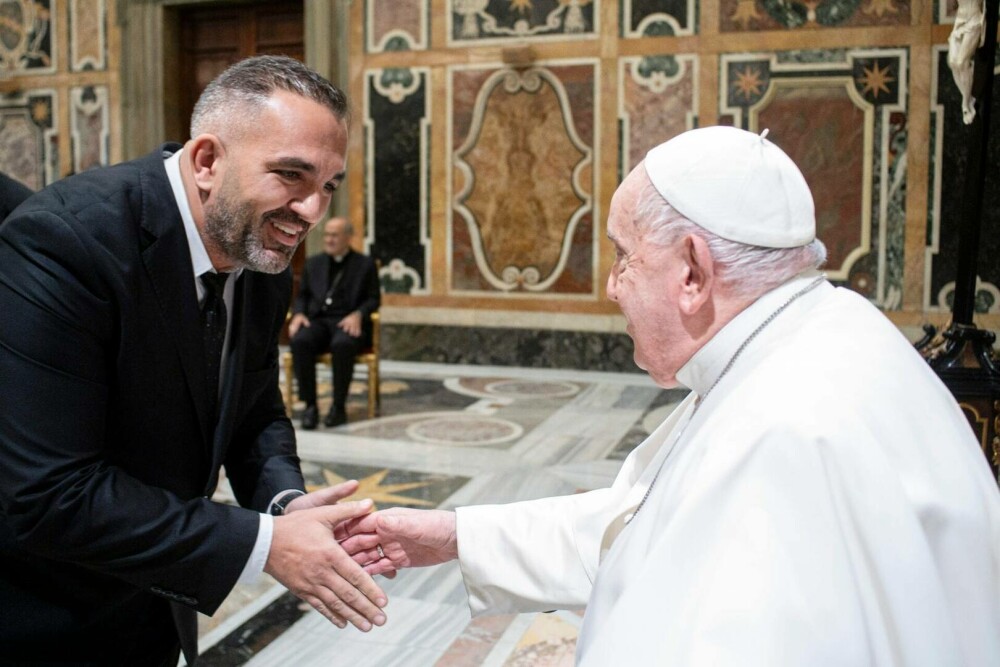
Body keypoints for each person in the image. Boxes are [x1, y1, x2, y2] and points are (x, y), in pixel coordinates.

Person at [346, 126, 1000, 665]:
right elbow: (639, 530)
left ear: (692, 272)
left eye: (623, 257)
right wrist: (454, 534)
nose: (610, 287)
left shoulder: (785, 430)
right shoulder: (811, 337)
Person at [0, 55, 390, 665]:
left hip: (158, 600)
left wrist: (283, 503)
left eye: (329, 185)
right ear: (207, 161)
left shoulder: (259, 251)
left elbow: (254, 408)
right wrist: (264, 544)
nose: (312, 210)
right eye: (292, 174)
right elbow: (50, 494)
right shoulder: (67, 242)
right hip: (47, 611)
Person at [289, 216, 380, 429]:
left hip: (347, 321)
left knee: (343, 345)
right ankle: (310, 406)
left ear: (348, 238)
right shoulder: (313, 263)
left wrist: (358, 314)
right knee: (301, 340)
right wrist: (299, 313)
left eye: (334, 235)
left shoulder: (365, 265)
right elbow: (303, 295)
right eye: (327, 235)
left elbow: (374, 299)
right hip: (319, 321)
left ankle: (338, 407)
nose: (329, 240)